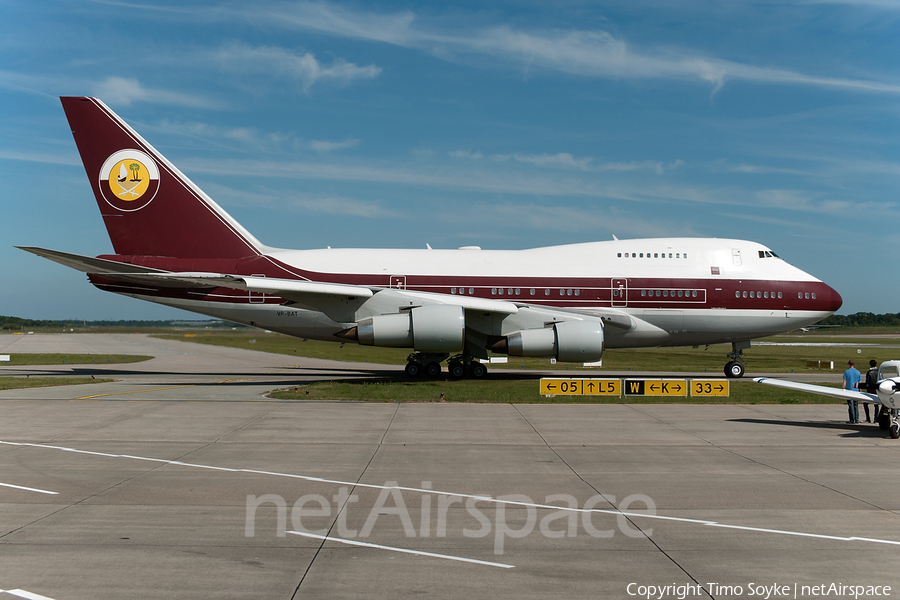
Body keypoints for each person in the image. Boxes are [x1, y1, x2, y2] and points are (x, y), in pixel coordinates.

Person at [842, 360, 862, 424]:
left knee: (851, 405)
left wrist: (843, 388)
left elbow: (844, 381)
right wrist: (860, 389)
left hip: (849, 391)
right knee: (856, 405)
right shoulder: (858, 372)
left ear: (849, 365)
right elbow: (859, 382)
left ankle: (852, 419)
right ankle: (857, 419)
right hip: (856, 390)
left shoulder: (846, 372)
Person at [865, 359, 879, 424]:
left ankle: (868, 418)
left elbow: (867, 382)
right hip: (876, 390)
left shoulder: (869, 372)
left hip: (870, 390)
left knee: (865, 404)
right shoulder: (878, 372)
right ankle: (876, 418)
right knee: (876, 405)